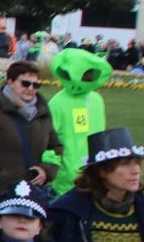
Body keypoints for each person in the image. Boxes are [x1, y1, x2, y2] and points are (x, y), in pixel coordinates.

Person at [0, 61, 63, 214]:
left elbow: (56, 146)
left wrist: (46, 171)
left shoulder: (42, 112)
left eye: (36, 85)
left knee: (29, 235)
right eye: (25, 83)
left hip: (31, 192)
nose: (30, 89)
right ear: (10, 81)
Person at [40, 47, 113, 196]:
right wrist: (49, 168)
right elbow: (47, 139)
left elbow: (101, 133)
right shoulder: (58, 102)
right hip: (66, 179)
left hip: (95, 173)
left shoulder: (96, 100)